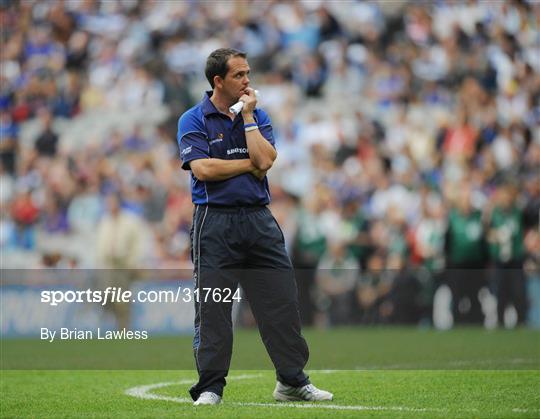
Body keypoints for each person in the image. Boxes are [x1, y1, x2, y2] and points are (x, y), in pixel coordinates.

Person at [177, 48, 333, 406]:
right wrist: (251, 164)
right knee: (214, 306)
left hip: (259, 219)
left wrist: (247, 118)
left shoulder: (257, 115)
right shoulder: (193, 119)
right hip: (213, 221)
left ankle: (292, 381)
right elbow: (204, 170)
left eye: (248, 73)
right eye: (239, 75)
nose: (248, 81)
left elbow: (265, 162)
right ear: (218, 81)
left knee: (282, 301)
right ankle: (211, 387)